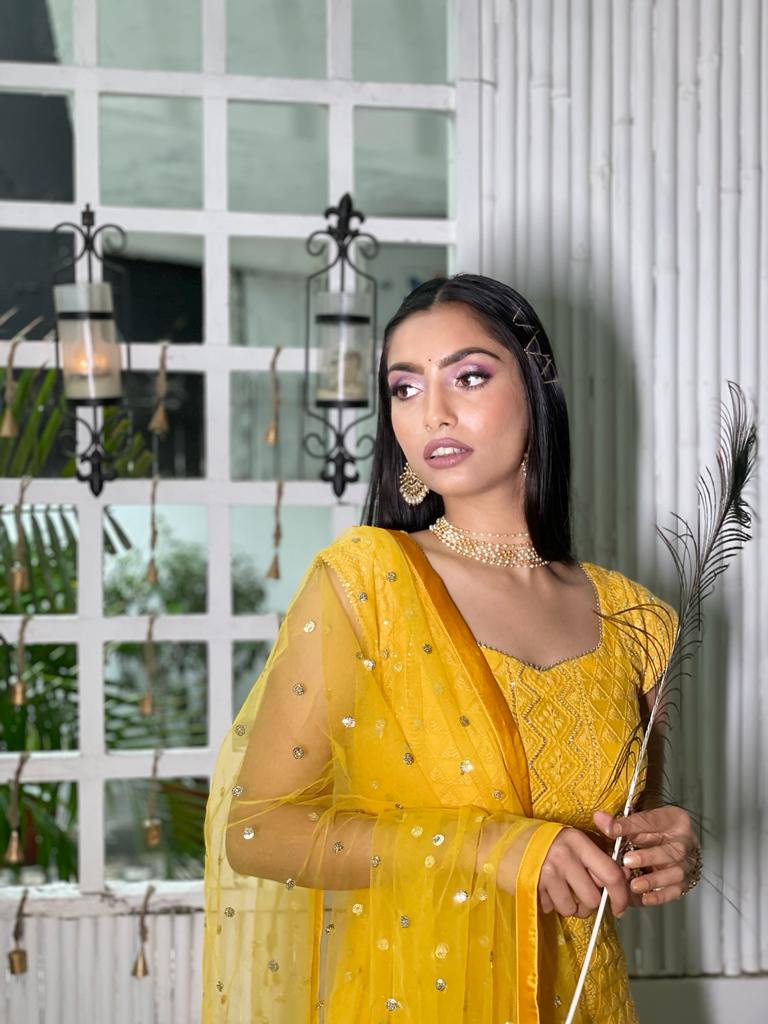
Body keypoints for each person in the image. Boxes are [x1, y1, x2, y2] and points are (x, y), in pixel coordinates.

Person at [202, 274, 700, 1024]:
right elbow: (256, 831)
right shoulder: (368, 583)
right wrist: (486, 846)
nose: (432, 411)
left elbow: (625, 835)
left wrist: (669, 851)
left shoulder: (637, 620)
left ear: (537, 388)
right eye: (404, 388)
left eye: (468, 377)